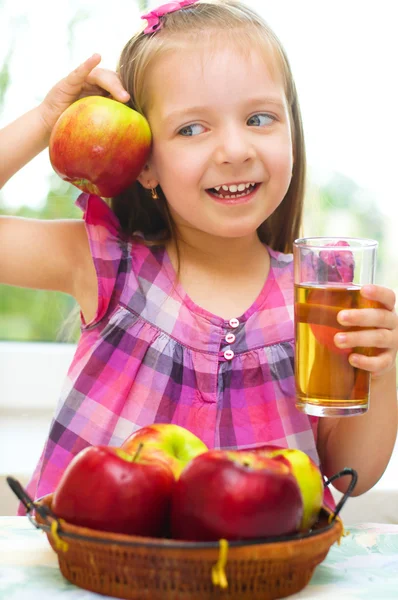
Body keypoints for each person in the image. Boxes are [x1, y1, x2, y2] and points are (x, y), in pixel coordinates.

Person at [1, 0, 397, 514]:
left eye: (259, 118)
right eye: (192, 129)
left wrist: (381, 372)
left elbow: (352, 475)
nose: (234, 149)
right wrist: (45, 119)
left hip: (257, 583)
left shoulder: (317, 293)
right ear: (144, 164)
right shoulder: (106, 265)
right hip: (98, 578)